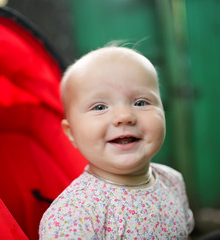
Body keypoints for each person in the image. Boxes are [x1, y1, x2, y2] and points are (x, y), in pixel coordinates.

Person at [39, 46, 194, 239]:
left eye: (141, 102)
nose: (124, 116)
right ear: (71, 133)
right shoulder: (73, 214)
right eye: (100, 107)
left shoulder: (172, 181)